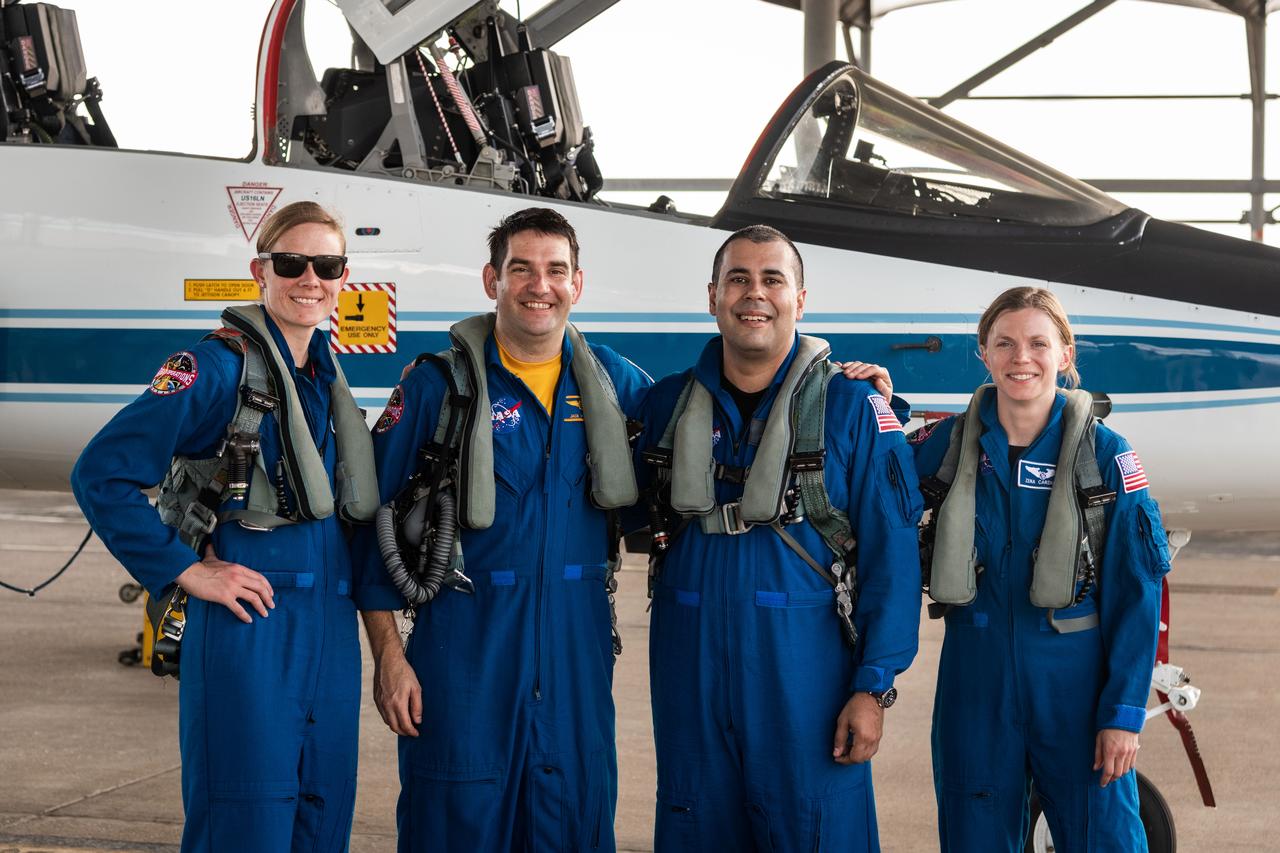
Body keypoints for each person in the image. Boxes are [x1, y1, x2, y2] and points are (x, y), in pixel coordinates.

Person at [71, 201, 376, 852]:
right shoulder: (214, 368)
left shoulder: (325, 377)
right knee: (245, 827)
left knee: (321, 824)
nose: (309, 279)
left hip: (330, 634)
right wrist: (183, 569)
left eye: (327, 264)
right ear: (259, 270)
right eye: (291, 262)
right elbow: (101, 473)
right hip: (249, 632)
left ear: (344, 276)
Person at [354, 207, 652, 852]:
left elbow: (714, 441)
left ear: (578, 283)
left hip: (577, 647)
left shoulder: (617, 385)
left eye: (555, 270)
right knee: (454, 820)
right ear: (493, 278)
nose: (538, 285)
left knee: (573, 817)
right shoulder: (439, 389)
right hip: (464, 646)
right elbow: (372, 524)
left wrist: (856, 388)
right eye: (521, 268)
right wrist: (389, 658)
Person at [636, 224, 923, 852]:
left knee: (816, 832)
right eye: (738, 278)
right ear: (712, 295)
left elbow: (893, 561)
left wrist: (874, 687)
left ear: (800, 298)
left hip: (806, 677)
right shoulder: (663, 410)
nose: (754, 294)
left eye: (772, 279)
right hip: (690, 671)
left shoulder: (852, 410)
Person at [910, 286, 1171, 852]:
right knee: (974, 838)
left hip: (1074, 682)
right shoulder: (947, 446)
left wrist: (1124, 713)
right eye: (1004, 343)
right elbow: (873, 482)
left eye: (1036, 343)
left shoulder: (1106, 457)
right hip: (974, 681)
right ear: (984, 353)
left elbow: (1138, 594)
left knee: (1105, 838)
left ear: (1065, 353)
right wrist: (874, 401)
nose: (1019, 357)